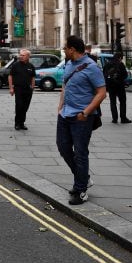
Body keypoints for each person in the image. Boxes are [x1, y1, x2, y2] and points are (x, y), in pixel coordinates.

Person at [57, 35, 106, 205]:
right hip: (65, 114)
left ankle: (81, 189)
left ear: (72, 49)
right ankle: (83, 178)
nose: (64, 50)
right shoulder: (69, 64)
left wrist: (85, 112)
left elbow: (101, 93)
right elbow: (65, 85)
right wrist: (60, 106)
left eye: (65, 48)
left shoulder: (91, 67)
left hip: (81, 117)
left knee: (80, 152)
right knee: (63, 148)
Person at [8, 49, 36, 130]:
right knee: (19, 106)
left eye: (23, 55)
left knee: (25, 107)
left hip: (28, 90)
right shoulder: (15, 65)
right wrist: (11, 88)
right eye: (20, 55)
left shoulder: (31, 66)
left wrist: (32, 87)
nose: (21, 56)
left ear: (28, 56)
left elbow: (33, 77)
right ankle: (17, 123)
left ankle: (22, 123)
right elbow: (10, 76)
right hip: (18, 89)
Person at [103, 52, 130, 124]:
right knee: (122, 101)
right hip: (119, 85)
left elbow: (104, 75)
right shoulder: (120, 64)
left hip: (111, 86)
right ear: (120, 57)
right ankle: (123, 118)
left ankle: (114, 118)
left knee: (112, 102)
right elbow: (125, 75)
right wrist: (120, 80)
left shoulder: (107, 64)